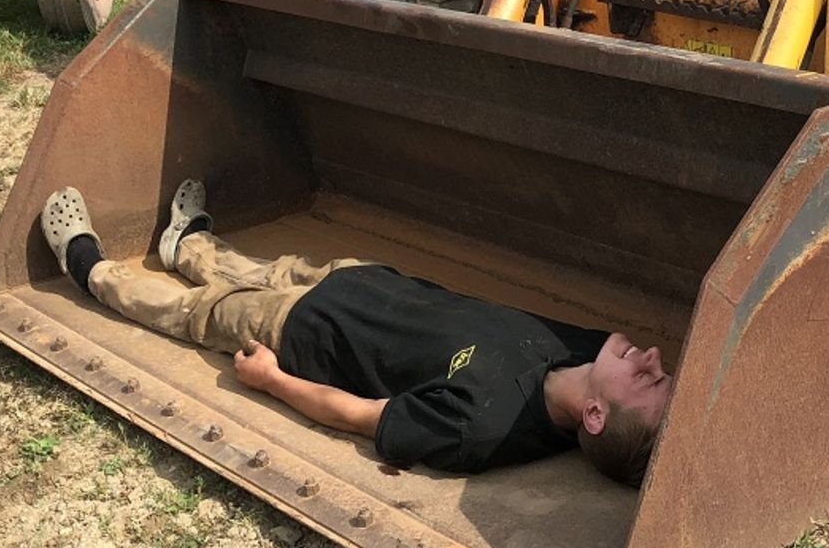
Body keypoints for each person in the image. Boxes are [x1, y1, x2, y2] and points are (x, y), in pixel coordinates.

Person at [39, 182, 671, 484]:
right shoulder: (586, 352)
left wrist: (274, 381)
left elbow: (365, 416)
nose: (651, 358)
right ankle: (188, 244)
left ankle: (89, 269)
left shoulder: (482, 428)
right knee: (249, 267)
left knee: (195, 312)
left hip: (302, 335)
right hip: (356, 282)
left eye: (645, 379)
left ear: (593, 415)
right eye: (659, 370)